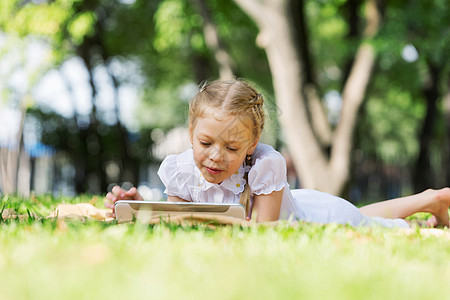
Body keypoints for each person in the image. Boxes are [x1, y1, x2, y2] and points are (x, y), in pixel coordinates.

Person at [105, 79, 450, 228]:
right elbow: (180, 219)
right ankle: (431, 199)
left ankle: (433, 199)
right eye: (205, 143)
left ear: (251, 146)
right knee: (366, 214)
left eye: (232, 148)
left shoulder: (266, 164)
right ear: (191, 134)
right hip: (301, 200)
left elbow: (263, 230)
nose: (215, 157)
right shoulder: (180, 169)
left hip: (312, 217)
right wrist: (141, 207)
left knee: (371, 223)